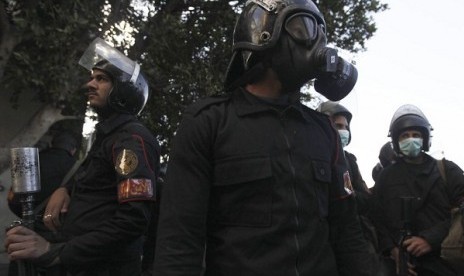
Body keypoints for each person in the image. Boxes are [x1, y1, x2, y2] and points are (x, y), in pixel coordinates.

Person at [153, 1, 373, 275]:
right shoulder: (208, 122)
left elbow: (348, 234)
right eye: (304, 27)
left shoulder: (323, 130)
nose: (316, 43)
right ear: (262, 34)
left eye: (321, 32)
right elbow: (179, 243)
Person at [4, 37, 160, 276]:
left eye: (101, 79)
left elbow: (133, 220)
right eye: (91, 77)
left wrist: (54, 252)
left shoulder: (130, 140)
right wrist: (65, 189)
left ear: (124, 91)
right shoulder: (108, 137)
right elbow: (92, 176)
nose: (90, 84)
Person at [371, 104, 464, 276]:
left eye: (416, 135)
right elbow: (378, 218)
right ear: (396, 141)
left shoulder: (447, 170)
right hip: (403, 266)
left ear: (425, 138)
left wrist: (431, 239)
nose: (411, 139)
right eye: (405, 135)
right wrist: (393, 251)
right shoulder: (386, 177)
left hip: (445, 262)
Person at [317, 101, 380, 254]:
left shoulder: (350, 161)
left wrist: (347, 194)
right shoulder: (310, 157)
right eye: (338, 126)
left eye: (346, 127)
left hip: (351, 238)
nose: (343, 131)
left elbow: (365, 199)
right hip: (320, 242)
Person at [7, 131, 79, 219]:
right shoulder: (74, 166)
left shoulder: (30, 156)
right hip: (49, 217)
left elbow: (15, 191)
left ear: (52, 144)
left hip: (19, 208)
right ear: (73, 150)